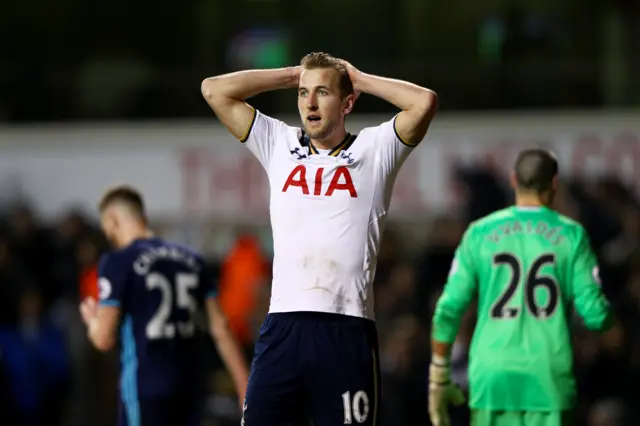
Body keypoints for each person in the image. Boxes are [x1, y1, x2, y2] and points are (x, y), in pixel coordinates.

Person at [201, 52, 438, 426]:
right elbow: (214, 90)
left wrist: (358, 78)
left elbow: (423, 102)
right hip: (283, 329)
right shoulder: (278, 143)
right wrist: (292, 74)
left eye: (322, 92)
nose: (309, 102)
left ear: (347, 103)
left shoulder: (374, 151)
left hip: (346, 330)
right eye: (302, 93)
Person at [428, 149, 613, 426]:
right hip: (547, 376)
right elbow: (596, 316)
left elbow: (448, 309)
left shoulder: (479, 233)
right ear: (553, 184)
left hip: (492, 375)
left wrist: (439, 374)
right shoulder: (571, 235)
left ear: (514, 180)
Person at [79, 185, 249, 426]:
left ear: (112, 220)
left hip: (145, 386)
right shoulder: (193, 259)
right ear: (143, 218)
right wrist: (244, 385)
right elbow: (221, 328)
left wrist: (92, 320)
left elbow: (104, 338)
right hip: (190, 387)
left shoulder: (117, 262)